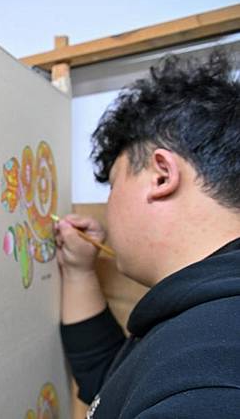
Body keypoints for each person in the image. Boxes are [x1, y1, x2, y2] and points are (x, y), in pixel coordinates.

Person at [54, 51, 240, 418]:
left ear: (160, 176)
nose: (110, 205)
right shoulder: (199, 320)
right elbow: (110, 385)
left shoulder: (208, 379)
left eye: (114, 184)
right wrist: (79, 272)